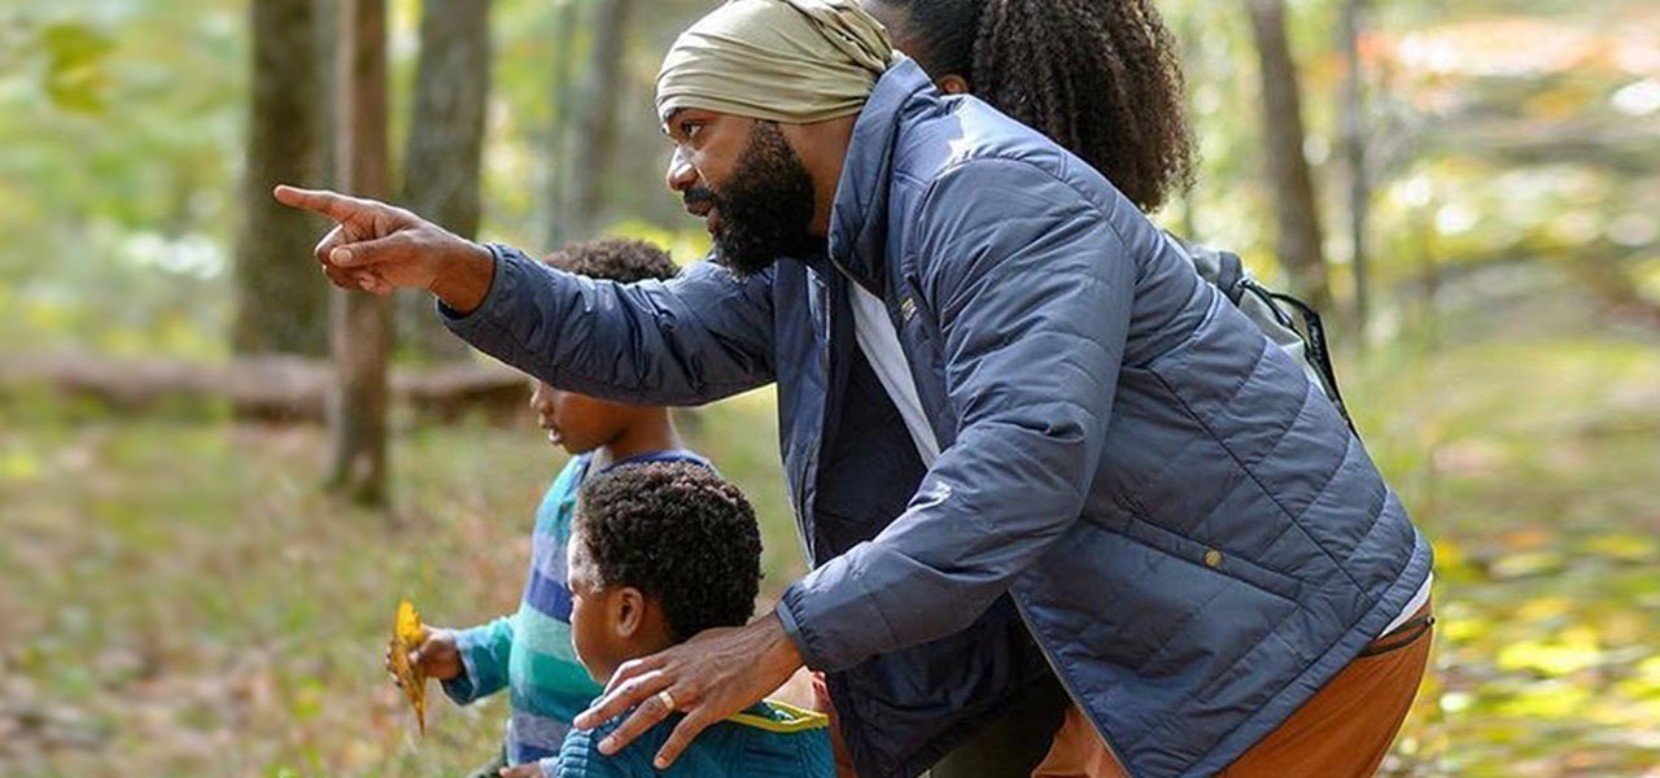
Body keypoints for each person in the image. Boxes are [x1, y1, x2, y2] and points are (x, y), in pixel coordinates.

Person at [282, 1, 1434, 775]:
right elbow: (651, 339)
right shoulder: (818, 237)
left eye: (695, 133)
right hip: (1123, 627)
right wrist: (464, 269)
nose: (678, 174)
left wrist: (782, 634)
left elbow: (1019, 469)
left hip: (1277, 632)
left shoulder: (988, 192)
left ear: (795, 109)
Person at [385, 240, 713, 778]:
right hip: (527, 758)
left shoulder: (676, 505)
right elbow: (554, 624)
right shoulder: (578, 475)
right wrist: (469, 654)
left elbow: (680, 683)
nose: (539, 401)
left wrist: (569, 770)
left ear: (638, 360)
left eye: (556, 378)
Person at [555, 461, 835, 777]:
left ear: (626, 611)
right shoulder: (800, 746)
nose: (570, 610)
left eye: (574, 593)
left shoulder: (606, 744)